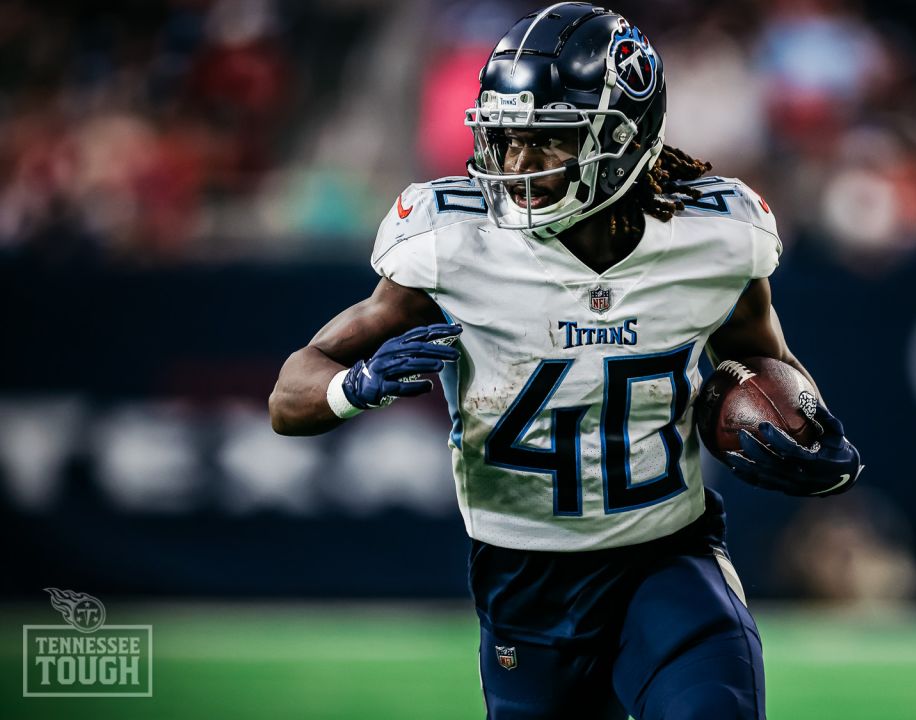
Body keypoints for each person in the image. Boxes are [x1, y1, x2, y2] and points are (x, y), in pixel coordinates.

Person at [269, 4, 862, 718]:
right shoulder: (451, 246)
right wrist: (352, 386)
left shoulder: (716, 238)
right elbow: (288, 397)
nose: (516, 164)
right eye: (506, 138)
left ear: (622, 139)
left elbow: (767, 363)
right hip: (524, 585)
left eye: (547, 141)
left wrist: (810, 430)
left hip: (665, 558)